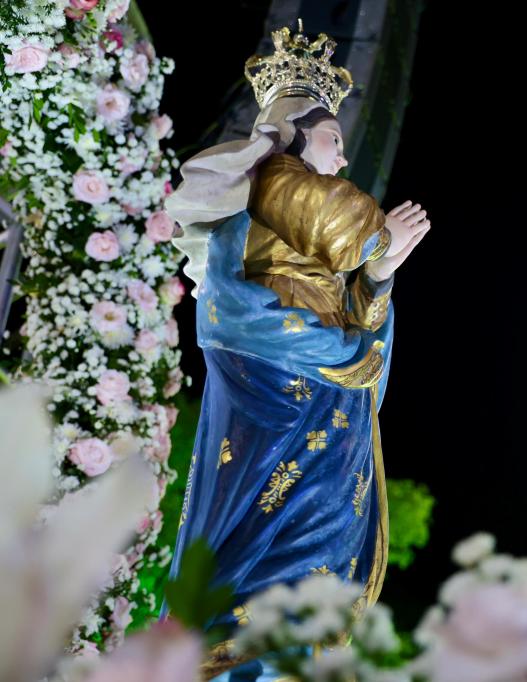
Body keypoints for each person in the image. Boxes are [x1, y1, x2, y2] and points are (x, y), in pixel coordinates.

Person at [160, 23, 430, 680]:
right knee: (266, 547)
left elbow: (354, 301)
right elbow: (332, 220)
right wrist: (375, 246)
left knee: (311, 549)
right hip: (277, 392)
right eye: (333, 138)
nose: (343, 157)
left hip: (325, 402)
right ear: (293, 135)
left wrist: (378, 276)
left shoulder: (306, 221)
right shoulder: (270, 190)